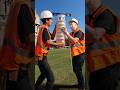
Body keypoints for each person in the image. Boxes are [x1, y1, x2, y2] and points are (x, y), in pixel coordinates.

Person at [0, 0, 35, 90]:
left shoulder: (14, 8)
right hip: (18, 66)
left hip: (9, 64)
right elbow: (31, 38)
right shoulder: (23, 7)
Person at [85, 0, 120, 90]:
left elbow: (96, 35)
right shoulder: (88, 18)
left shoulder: (105, 14)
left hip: (108, 66)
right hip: (95, 66)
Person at [35, 10, 64, 90]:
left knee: (44, 74)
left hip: (41, 56)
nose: (51, 20)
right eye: (50, 19)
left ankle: (36, 87)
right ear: (46, 20)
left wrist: (55, 27)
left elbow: (51, 38)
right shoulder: (44, 29)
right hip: (41, 57)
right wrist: (60, 44)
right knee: (51, 79)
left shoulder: (45, 30)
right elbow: (48, 42)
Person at [61, 18, 85, 90]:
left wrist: (66, 33)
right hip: (75, 54)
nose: (70, 26)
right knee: (75, 70)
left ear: (76, 24)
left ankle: (81, 86)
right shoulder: (72, 33)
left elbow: (74, 40)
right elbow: (68, 39)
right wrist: (64, 34)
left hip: (80, 54)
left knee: (78, 70)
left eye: (72, 24)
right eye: (69, 24)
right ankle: (80, 83)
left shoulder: (79, 32)